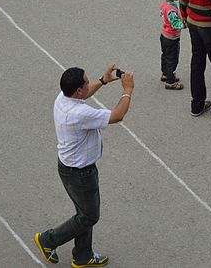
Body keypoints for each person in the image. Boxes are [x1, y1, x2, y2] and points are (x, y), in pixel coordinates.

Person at [34, 64, 135, 267]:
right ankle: (48, 240)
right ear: (78, 90)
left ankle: (83, 255)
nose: (90, 84)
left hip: (71, 168)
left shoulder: (63, 98)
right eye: (87, 82)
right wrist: (128, 90)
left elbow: (84, 95)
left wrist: (104, 80)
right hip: (80, 173)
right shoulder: (79, 114)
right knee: (89, 216)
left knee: (84, 212)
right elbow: (117, 116)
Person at [158, 0, 185, 90]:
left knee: (165, 55)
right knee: (172, 59)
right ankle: (170, 81)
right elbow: (175, 23)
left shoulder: (165, 4)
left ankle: (165, 73)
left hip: (164, 35)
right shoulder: (171, 9)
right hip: (172, 37)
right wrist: (184, 24)